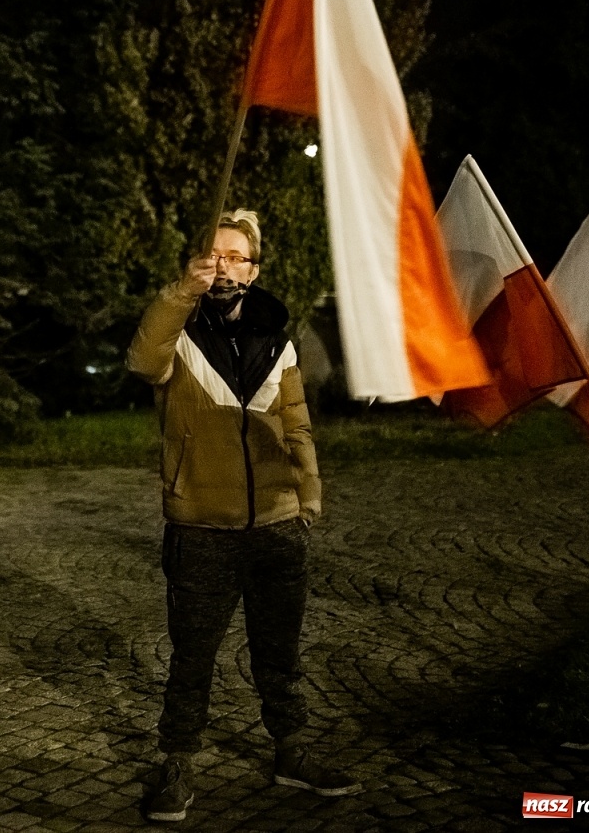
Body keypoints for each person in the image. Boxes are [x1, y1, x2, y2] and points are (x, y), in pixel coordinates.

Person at [125, 210, 361, 823]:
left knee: (279, 654)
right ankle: (176, 762)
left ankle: (292, 749)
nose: (226, 266)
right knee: (192, 657)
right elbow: (143, 362)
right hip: (202, 528)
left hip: (278, 527)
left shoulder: (276, 337)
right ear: (199, 263)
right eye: (215, 255)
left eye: (237, 257)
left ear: (255, 270)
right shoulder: (179, 328)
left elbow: (297, 421)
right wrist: (182, 291)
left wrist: (307, 498)